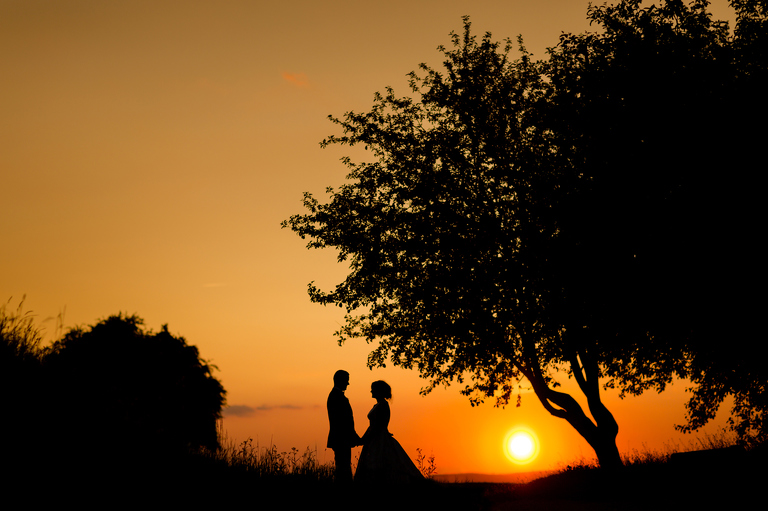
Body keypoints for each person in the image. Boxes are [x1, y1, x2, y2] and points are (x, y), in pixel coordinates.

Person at [355, 380, 424, 485]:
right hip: (376, 438)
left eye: (373, 389)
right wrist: (363, 439)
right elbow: (372, 426)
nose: (371, 391)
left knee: (379, 464)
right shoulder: (379, 405)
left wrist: (364, 439)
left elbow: (376, 426)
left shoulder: (382, 405)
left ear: (378, 391)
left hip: (379, 439)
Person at [327, 369, 362, 484]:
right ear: (340, 381)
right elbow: (343, 421)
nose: (348, 384)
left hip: (341, 439)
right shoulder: (337, 397)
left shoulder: (335, 396)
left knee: (343, 467)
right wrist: (354, 437)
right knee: (343, 469)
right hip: (341, 439)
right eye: (346, 381)